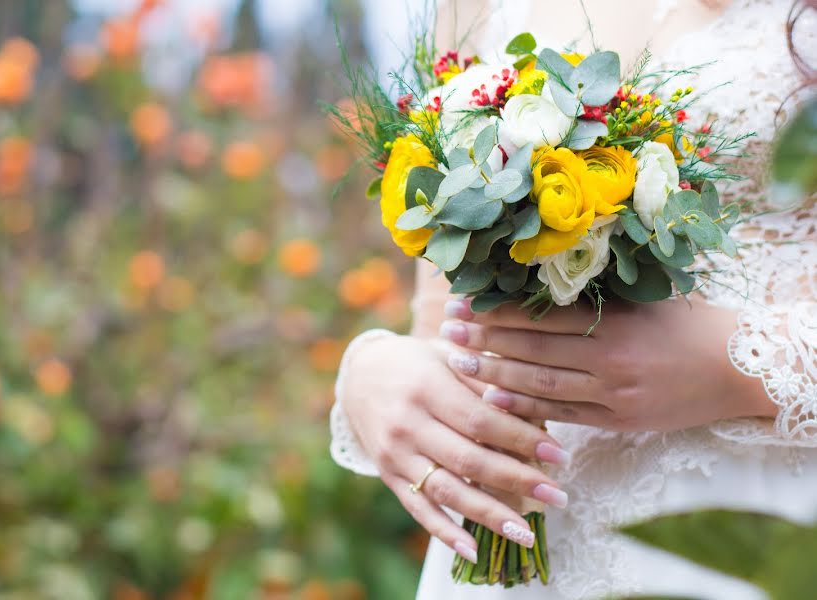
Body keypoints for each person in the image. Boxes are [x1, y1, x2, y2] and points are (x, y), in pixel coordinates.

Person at [330, 0, 817, 598]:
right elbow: (440, 324)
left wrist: (738, 364)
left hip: (755, 526)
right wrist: (374, 375)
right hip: (528, 535)